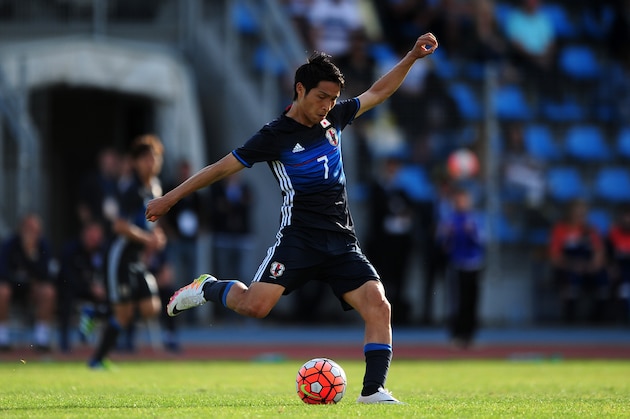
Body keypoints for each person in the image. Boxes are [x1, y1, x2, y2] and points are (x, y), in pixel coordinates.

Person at [146, 33, 438, 404]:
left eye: (333, 99)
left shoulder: (334, 120)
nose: (327, 106)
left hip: (341, 241)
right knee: (255, 306)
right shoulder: (274, 135)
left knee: (379, 305)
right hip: (298, 239)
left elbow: (378, 92)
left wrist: (411, 56)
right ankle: (207, 288)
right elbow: (220, 168)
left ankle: (372, 391)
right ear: (300, 89)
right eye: (321, 97)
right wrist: (169, 198)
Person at [88, 134, 167, 368]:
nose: (150, 163)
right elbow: (119, 226)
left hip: (137, 258)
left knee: (150, 308)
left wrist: (158, 237)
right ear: (135, 162)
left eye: (154, 158)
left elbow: (153, 223)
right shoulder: (131, 188)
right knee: (123, 314)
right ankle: (96, 358)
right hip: (120, 257)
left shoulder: (155, 187)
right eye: (144, 159)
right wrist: (148, 240)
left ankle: (99, 312)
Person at [365, 155, 415, 325]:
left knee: (400, 278)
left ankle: (397, 314)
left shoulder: (403, 191)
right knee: (382, 278)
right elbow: (377, 214)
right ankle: (380, 312)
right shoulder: (377, 189)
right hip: (382, 243)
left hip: (400, 243)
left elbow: (411, 211)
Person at [436, 187, 485, 349]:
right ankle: (456, 335)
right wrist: (447, 235)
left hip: (474, 264)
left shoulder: (474, 219)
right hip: (457, 264)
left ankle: (470, 335)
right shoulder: (450, 220)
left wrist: (472, 233)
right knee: (457, 301)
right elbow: (443, 244)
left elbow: (481, 242)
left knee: (471, 301)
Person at [0, 213, 55, 351]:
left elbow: (45, 274)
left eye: (34, 230)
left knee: (48, 291)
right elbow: (3, 272)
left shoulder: (43, 245)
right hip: (12, 287)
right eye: (28, 229)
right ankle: (3, 338)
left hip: (32, 289)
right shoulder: (9, 244)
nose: (31, 233)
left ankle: (41, 338)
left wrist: (31, 254)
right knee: (2, 291)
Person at [549, 200, 608, 324]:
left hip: (588, 267)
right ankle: (570, 319)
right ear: (570, 213)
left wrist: (593, 265)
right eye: (577, 212)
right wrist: (572, 265)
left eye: (583, 213)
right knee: (571, 281)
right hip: (568, 267)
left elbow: (599, 251)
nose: (580, 216)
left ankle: (599, 318)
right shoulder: (560, 229)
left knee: (602, 279)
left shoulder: (590, 230)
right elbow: (555, 256)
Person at [56, 220, 108, 353]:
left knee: (114, 298)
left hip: (96, 291)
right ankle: (65, 339)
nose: (94, 240)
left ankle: (110, 341)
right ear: (84, 234)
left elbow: (106, 273)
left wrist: (101, 288)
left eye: (97, 236)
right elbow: (67, 277)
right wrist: (89, 287)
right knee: (67, 298)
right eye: (92, 236)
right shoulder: (71, 249)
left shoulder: (102, 251)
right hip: (72, 289)